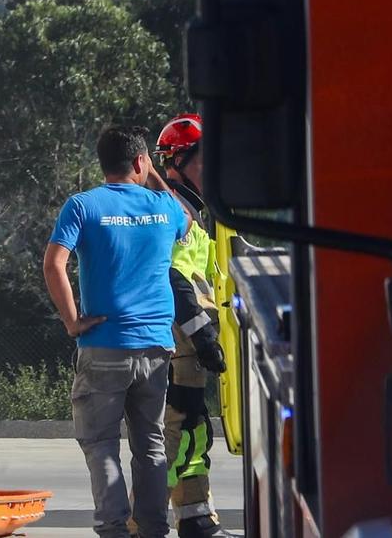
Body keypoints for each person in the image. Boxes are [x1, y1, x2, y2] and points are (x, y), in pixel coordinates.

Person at [44, 126, 191, 538]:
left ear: (102, 163)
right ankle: (154, 530)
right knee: (151, 445)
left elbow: (54, 263)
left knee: (102, 443)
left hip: (104, 345)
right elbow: (189, 224)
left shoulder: (83, 206)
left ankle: (113, 530)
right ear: (141, 162)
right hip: (157, 347)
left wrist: (73, 321)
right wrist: (155, 175)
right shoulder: (164, 209)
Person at [156, 113, 227, 538]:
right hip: (180, 344)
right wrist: (204, 337)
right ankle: (138, 525)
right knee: (177, 436)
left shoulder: (193, 210)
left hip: (191, 349)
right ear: (181, 160)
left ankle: (196, 518)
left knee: (193, 430)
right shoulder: (177, 211)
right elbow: (176, 280)